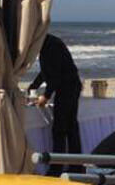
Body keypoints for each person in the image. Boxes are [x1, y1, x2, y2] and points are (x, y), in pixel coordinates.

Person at [28, 34, 83, 176]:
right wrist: (33, 86)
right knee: (71, 128)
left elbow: (55, 75)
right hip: (70, 85)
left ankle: (57, 168)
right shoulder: (47, 43)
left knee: (60, 129)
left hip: (68, 87)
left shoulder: (51, 46)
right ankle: (76, 166)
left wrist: (46, 96)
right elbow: (46, 71)